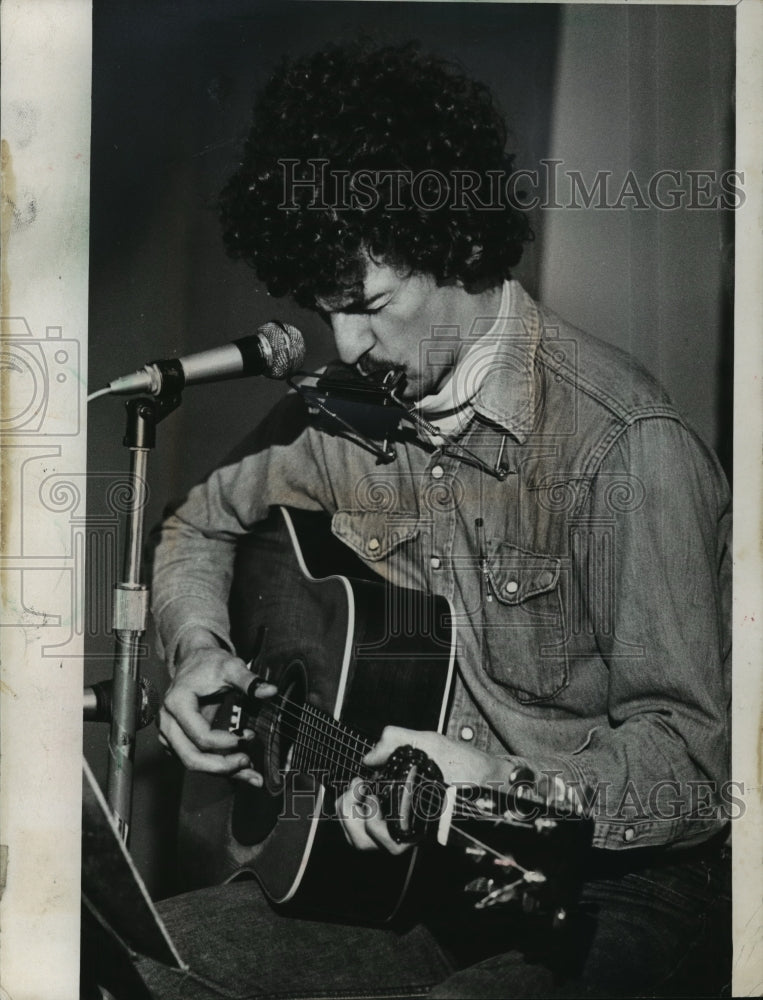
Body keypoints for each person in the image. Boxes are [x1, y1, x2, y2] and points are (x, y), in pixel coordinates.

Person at [145, 41, 732, 999]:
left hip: (619, 892)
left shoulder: (624, 442)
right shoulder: (340, 410)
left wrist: (498, 778)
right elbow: (194, 528)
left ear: (453, 244)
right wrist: (200, 646)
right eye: (329, 310)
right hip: (418, 876)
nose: (348, 344)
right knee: (144, 958)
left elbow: (691, 771)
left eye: (370, 304)